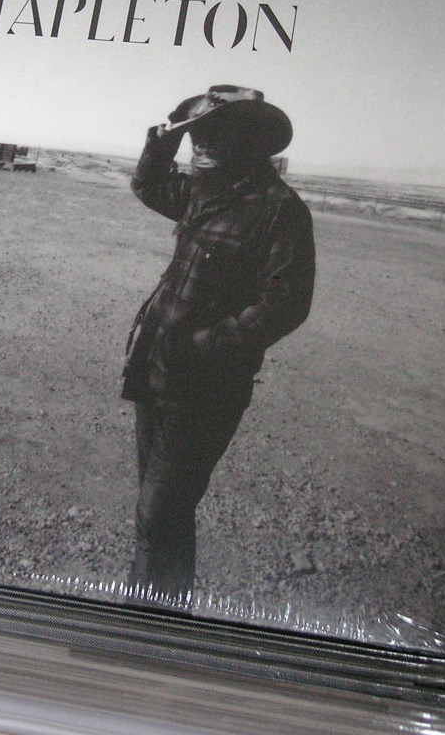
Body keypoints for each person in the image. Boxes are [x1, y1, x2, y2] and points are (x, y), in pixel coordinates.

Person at [122, 85, 315, 603]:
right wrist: (164, 140)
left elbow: (286, 303)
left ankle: (145, 622)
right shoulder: (204, 193)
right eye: (196, 133)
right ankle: (163, 616)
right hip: (155, 368)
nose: (200, 143)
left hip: (206, 387)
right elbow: (146, 185)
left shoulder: (278, 209)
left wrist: (202, 345)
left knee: (157, 515)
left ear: (249, 141)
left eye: (213, 132)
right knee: (162, 511)